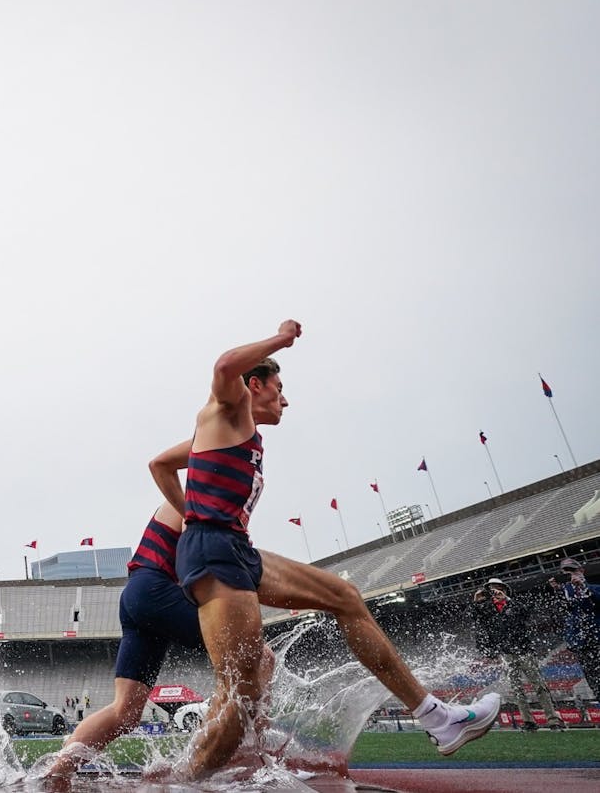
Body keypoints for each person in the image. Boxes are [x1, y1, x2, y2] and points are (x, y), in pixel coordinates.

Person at [171, 320, 499, 779]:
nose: (285, 400)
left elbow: (160, 464)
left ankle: (437, 718)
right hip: (213, 550)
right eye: (279, 388)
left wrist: (191, 512)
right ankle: (184, 782)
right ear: (255, 385)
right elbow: (226, 365)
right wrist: (282, 339)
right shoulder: (226, 408)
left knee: (345, 597)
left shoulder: (238, 434)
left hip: (234, 547)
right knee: (243, 692)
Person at [42, 442, 275, 780]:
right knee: (260, 656)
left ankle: (57, 771)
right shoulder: (201, 499)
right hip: (156, 590)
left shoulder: (202, 505)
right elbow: (203, 563)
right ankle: (247, 753)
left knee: (126, 712)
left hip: (139, 596)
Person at [473, 578, 565, 730]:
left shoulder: (514, 604)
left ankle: (552, 719)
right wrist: (476, 602)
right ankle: (528, 721)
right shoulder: (486, 609)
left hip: (524, 651)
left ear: (504, 590)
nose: (494, 592)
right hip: (506, 654)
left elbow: (526, 611)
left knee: (539, 686)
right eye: (491, 589)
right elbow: (475, 619)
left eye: (497, 588)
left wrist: (507, 600)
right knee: (517, 689)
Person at [551, 558, 600, 702]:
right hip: (582, 644)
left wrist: (583, 586)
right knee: (595, 682)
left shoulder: (595, 588)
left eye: (573, 570)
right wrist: (558, 591)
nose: (570, 574)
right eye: (566, 572)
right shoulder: (565, 594)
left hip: (597, 638)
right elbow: (562, 613)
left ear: (581, 571)